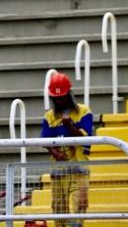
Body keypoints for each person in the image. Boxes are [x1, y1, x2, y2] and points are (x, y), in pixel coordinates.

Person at [40, 71, 93, 227]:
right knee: (58, 208)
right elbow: (45, 140)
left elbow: (85, 138)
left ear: (69, 95)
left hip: (79, 170)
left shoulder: (84, 112)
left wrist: (69, 125)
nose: (60, 101)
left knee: (80, 205)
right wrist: (55, 152)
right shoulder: (49, 116)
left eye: (62, 97)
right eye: (56, 98)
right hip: (59, 170)